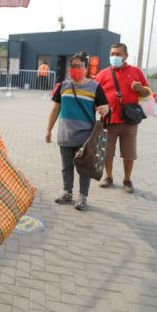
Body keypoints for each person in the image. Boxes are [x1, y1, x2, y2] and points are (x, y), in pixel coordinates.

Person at [45, 51, 109, 210]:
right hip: (65, 135)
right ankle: (67, 193)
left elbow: (106, 108)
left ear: (86, 67)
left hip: (85, 136)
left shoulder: (95, 87)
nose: (74, 69)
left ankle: (82, 197)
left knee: (84, 168)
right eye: (72, 66)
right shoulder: (63, 86)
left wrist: (106, 109)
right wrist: (48, 130)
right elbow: (55, 109)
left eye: (78, 66)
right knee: (66, 166)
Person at [95, 43, 150, 193]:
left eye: (118, 54)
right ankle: (108, 177)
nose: (115, 57)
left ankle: (127, 180)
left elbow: (147, 93)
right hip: (108, 121)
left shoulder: (136, 72)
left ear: (126, 56)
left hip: (129, 121)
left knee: (129, 153)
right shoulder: (103, 74)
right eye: (112, 54)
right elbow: (94, 94)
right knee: (107, 152)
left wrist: (140, 89)